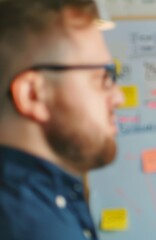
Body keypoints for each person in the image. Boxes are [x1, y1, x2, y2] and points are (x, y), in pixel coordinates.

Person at [0, 0, 124, 239]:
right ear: (33, 95)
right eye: (101, 77)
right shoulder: (31, 225)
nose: (117, 97)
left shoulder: (48, 201)